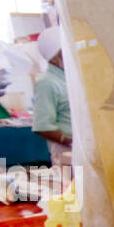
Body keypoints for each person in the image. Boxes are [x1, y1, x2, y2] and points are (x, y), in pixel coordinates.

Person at [31, 26, 72, 166]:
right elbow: (43, 127)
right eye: (67, 50)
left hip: (82, 148)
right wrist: (70, 141)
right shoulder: (46, 83)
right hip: (66, 151)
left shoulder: (70, 78)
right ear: (55, 57)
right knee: (75, 187)